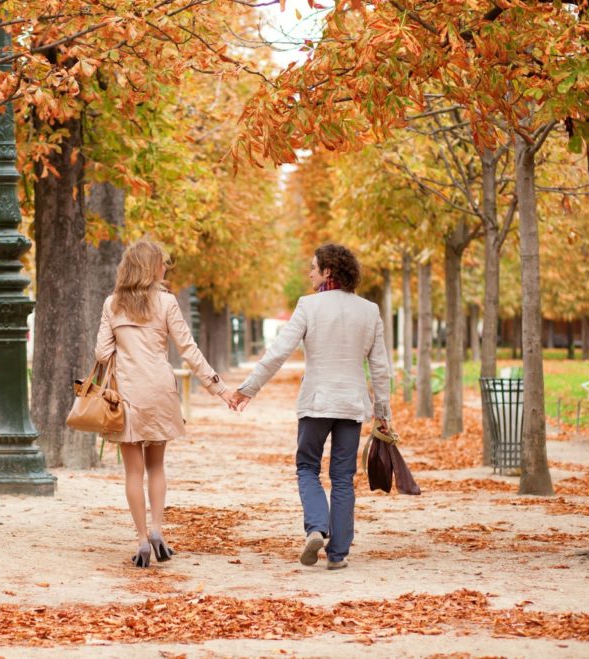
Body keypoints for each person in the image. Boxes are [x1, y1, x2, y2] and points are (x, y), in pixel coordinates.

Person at [230, 243, 391, 571]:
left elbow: (278, 352)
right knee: (343, 477)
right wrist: (382, 412)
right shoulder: (369, 311)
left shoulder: (309, 306)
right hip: (350, 405)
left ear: (328, 271)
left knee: (307, 468)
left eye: (313, 268)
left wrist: (249, 388)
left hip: (316, 403)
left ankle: (317, 527)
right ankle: (338, 555)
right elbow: (381, 367)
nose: (309, 273)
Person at [94, 239, 236, 568]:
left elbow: (101, 353)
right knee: (156, 465)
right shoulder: (167, 303)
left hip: (126, 393)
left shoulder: (112, 304)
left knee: (133, 471)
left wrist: (126, 352)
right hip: (159, 389)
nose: (164, 269)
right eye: (162, 263)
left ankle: (142, 538)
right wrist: (220, 388)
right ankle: (158, 530)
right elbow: (188, 349)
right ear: (151, 267)